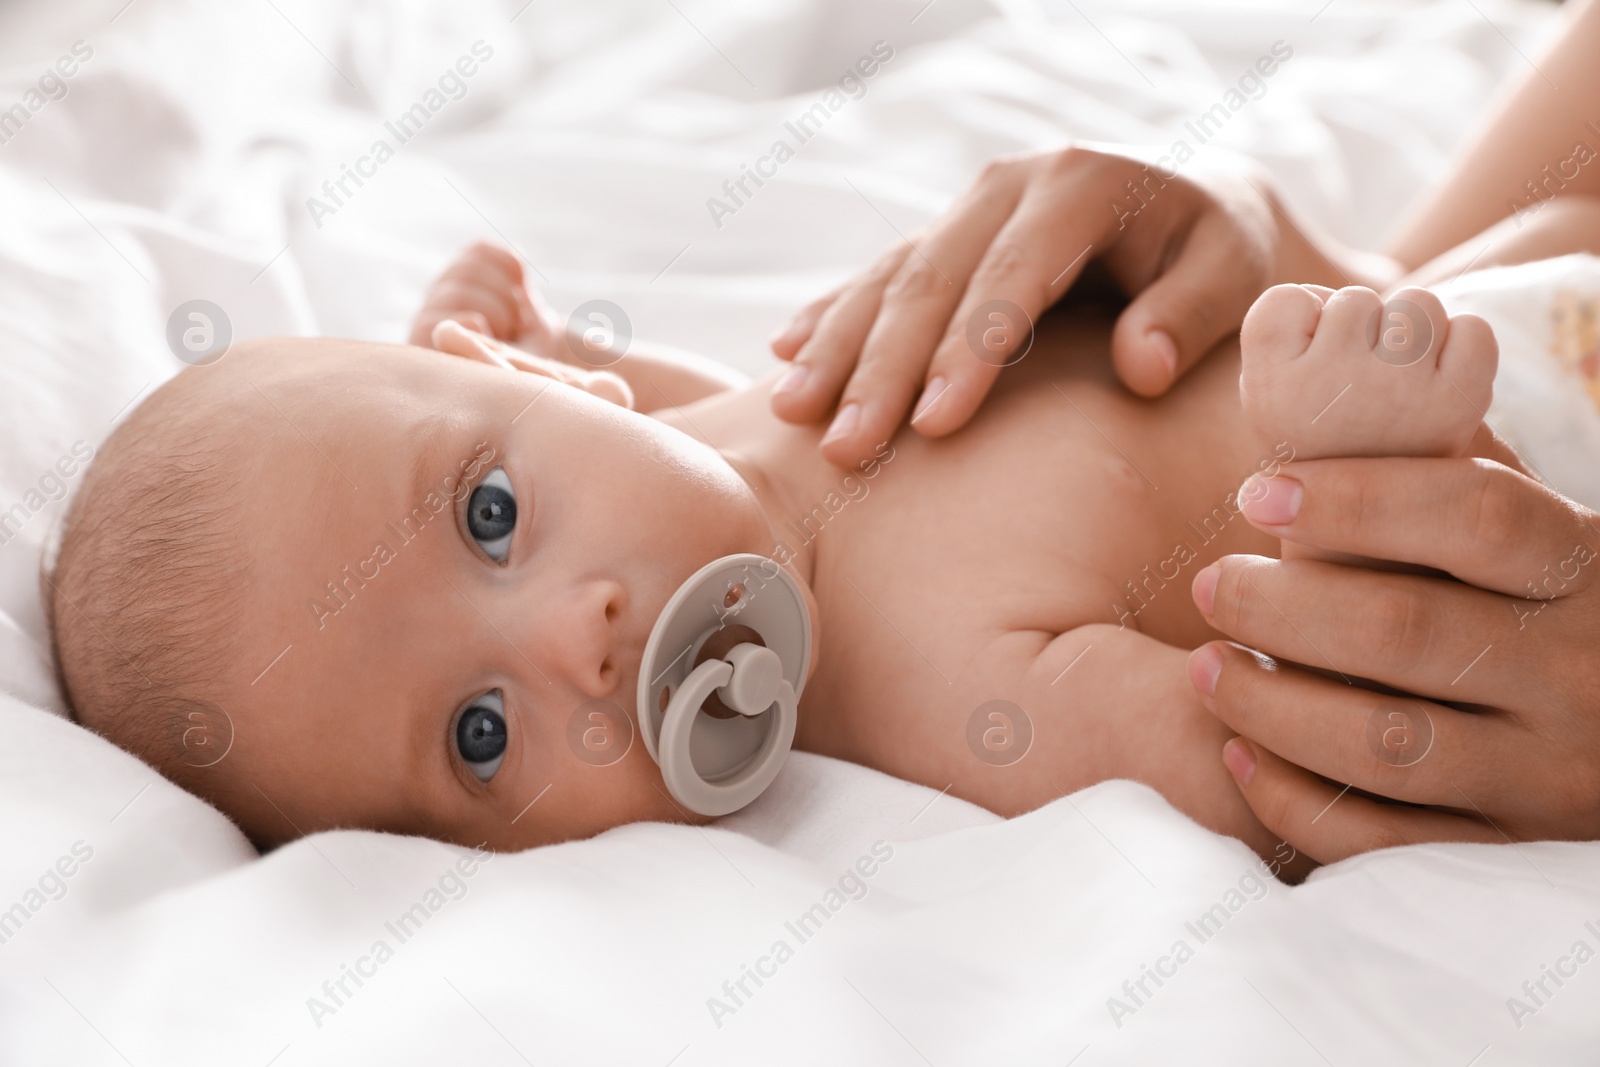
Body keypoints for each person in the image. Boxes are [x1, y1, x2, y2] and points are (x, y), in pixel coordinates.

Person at [765, 0, 1600, 864]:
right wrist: (1289, 254)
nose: (612, 675)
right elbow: (1273, 763)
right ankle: (1356, 520)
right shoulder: (902, 674)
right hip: (1529, 344)